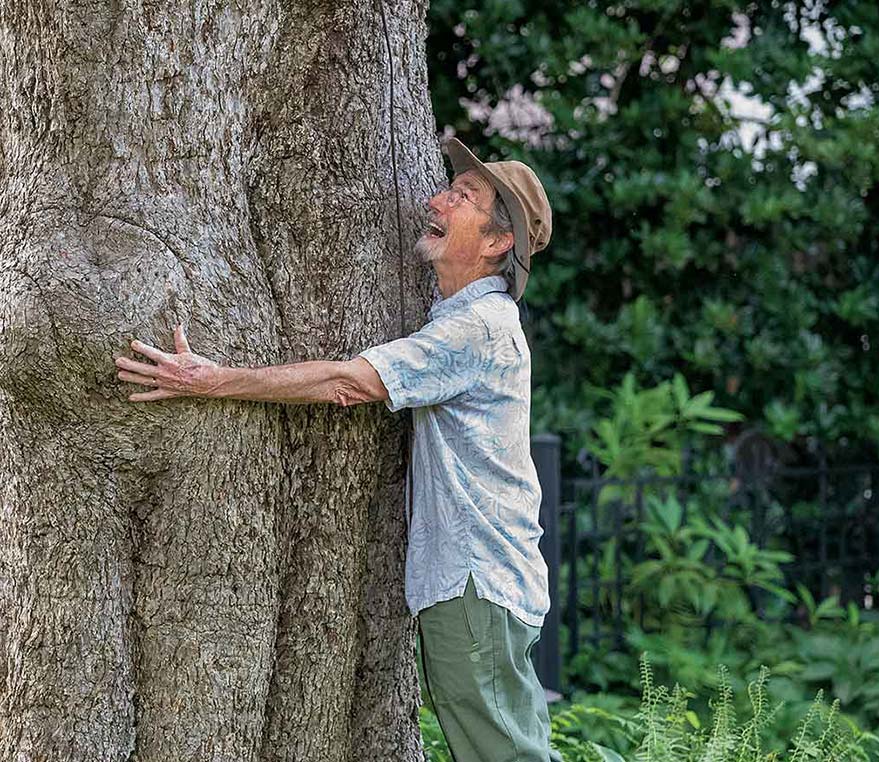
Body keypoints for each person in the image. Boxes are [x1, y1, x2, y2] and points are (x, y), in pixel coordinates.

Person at [114, 137, 561, 762]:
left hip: (476, 584)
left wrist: (213, 379)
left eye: (463, 197)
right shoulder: (466, 320)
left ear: (495, 243)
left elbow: (348, 382)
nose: (437, 200)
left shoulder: (475, 329)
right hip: (482, 585)